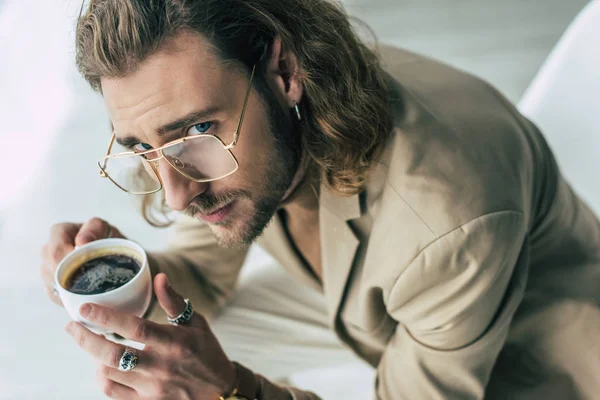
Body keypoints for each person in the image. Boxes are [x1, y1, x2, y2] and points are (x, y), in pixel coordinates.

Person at [39, 0, 600, 399]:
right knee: (168, 351)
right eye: (145, 148)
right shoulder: (284, 104)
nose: (177, 192)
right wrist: (123, 282)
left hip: (534, 362)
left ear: (284, 72)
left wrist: (234, 392)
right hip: (378, 296)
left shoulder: (444, 225)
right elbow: (201, 276)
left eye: (197, 133)